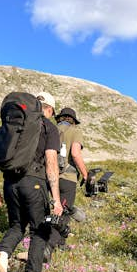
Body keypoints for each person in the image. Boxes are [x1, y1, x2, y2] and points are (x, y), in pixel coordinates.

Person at [0, 91, 62, 272]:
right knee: (40, 231)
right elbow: (51, 162)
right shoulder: (48, 127)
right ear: (49, 109)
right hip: (34, 182)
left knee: (17, 226)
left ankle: (1, 260)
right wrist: (55, 198)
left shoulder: (13, 125)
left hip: (10, 183)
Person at [46, 107, 88, 257]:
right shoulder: (75, 131)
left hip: (48, 177)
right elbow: (75, 154)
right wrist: (85, 174)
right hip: (67, 178)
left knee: (50, 210)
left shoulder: (50, 129)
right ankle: (49, 247)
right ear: (73, 120)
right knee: (64, 213)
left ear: (59, 118)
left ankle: (59, 243)